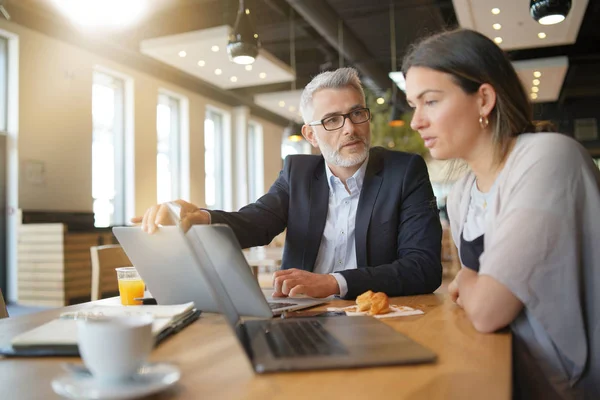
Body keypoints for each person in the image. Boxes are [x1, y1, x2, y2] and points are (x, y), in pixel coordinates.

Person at [402, 29, 599, 399]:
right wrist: (473, 285)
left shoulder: (548, 157)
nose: (416, 122)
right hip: (506, 367)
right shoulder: (463, 193)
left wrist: (474, 285)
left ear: (484, 99)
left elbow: (488, 308)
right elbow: (469, 288)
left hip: (570, 386)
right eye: (414, 104)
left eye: (430, 101)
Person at [133, 67, 442, 300]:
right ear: (311, 136)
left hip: (376, 315)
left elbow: (424, 268)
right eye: (332, 120)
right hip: (301, 312)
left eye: (356, 113)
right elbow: (257, 222)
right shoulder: (298, 172)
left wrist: (334, 282)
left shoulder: (404, 171)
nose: (349, 128)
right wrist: (202, 217)